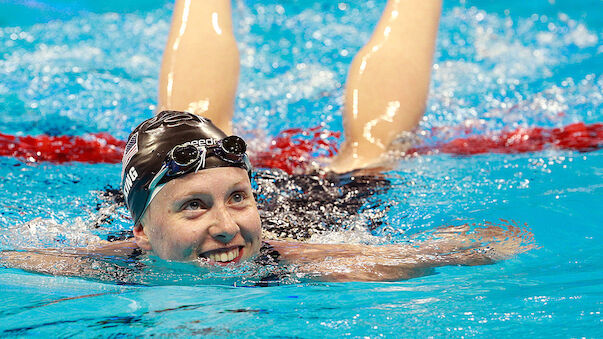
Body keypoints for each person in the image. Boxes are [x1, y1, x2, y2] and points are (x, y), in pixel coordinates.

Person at [0, 1, 535, 282]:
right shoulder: (112, 260)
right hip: (301, 208)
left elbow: (405, 260)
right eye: (193, 207)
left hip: (313, 209)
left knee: (371, 147)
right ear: (138, 228)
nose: (227, 228)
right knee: (368, 153)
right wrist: (461, 252)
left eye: (238, 197)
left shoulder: (290, 255)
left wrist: (466, 253)